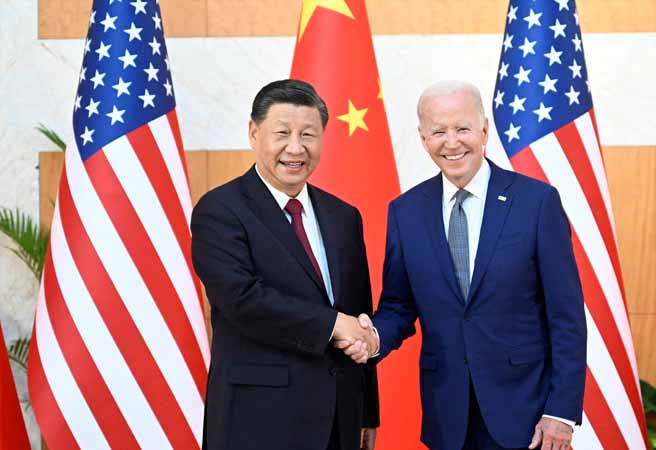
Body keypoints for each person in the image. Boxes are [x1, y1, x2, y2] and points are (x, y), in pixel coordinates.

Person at [339, 81, 587, 450]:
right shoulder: (406, 212)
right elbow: (399, 306)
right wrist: (373, 337)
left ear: (484, 129)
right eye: (438, 131)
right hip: (448, 417)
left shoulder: (537, 203)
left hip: (528, 417)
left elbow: (566, 317)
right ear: (423, 139)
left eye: (462, 128)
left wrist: (561, 413)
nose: (451, 142)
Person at [191, 79, 379, 450]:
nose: (295, 148)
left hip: (338, 419)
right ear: (253, 133)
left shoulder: (344, 216)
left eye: (308, 134)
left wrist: (367, 410)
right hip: (258, 420)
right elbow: (242, 300)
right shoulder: (220, 210)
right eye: (282, 133)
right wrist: (332, 325)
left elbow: (359, 312)